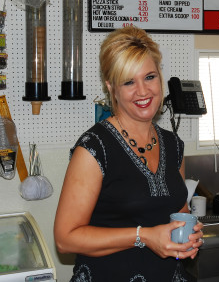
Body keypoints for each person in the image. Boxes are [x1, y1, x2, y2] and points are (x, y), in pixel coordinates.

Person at [54, 26, 204, 282]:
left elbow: (177, 210)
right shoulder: (94, 148)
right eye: (128, 82)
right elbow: (65, 239)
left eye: (149, 77)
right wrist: (143, 235)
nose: (143, 91)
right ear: (111, 87)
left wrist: (190, 233)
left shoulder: (173, 144)